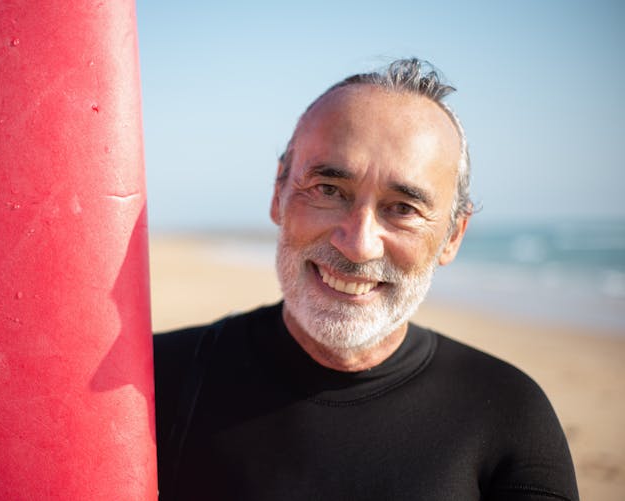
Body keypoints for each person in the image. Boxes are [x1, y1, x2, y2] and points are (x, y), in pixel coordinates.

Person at [153, 58, 578, 501]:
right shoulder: (157, 381)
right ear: (278, 192)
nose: (358, 244)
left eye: (403, 208)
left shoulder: (509, 414)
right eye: (329, 190)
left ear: (452, 235)